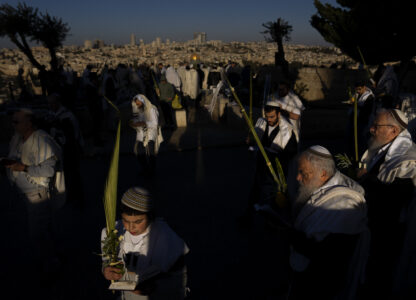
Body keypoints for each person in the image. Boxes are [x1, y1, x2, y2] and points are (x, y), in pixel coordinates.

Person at [286, 146, 369, 300]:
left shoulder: (344, 205)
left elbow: (326, 256)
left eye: (302, 173)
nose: (298, 178)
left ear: (323, 173)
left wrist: (287, 234)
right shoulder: (321, 183)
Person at [357, 108, 416, 298]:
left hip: (387, 235)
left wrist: (367, 180)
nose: (371, 130)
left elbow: (397, 198)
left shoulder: (407, 161)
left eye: (376, 126)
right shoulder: (383, 146)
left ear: (393, 131)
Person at [101, 187, 189, 300]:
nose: (130, 227)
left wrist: (154, 284)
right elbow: (107, 260)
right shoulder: (114, 231)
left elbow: (175, 270)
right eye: (126, 220)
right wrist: (106, 270)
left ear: (150, 217)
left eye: (138, 221)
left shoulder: (163, 235)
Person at [4, 108, 64, 271]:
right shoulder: (18, 139)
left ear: (29, 123)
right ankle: (56, 254)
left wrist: (22, 167)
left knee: (37, 234)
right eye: (13, 121)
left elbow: (48, 171)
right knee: (45, 229)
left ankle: (51, 265)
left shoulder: (42, 140)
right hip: (26, 194)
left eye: (17, 121)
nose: (13, 125)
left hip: (37, 195)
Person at [241, 100, 298, 224]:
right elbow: (255, 139)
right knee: (255, 190)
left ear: (278, 114)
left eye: (272, 117)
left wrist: (275, 157)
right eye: (267, 117)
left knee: (274, 195)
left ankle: (274, 221)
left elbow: (292, 152)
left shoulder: (287, 130)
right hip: (261, 163)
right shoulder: (262, 122)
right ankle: (248, 217)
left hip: (277, 167)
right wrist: (250, 140)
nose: (269, 120)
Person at [47, 93, 84, 208]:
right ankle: (68, 195)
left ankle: (78, 197)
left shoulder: (67, 115)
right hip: (59, 149)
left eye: (53, 103)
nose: (51, 105)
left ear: (58, 103)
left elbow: (73, 134)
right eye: (50, 103)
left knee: (72, 173)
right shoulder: (51, 114)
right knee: (64, 174)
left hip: (69, 149)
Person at [129, 94, 163, 175]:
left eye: (139, 103)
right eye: (136, 104)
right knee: (138, 150)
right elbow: (136, 121)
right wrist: (133, 123)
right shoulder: (138, 110)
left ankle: (151, 170)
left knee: (150, 151)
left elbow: (155, 124)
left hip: (151, 133)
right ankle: (145, 168)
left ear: (143, 101)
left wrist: (144, 123)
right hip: (141, 133)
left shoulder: (152, 109)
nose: (138, 105)